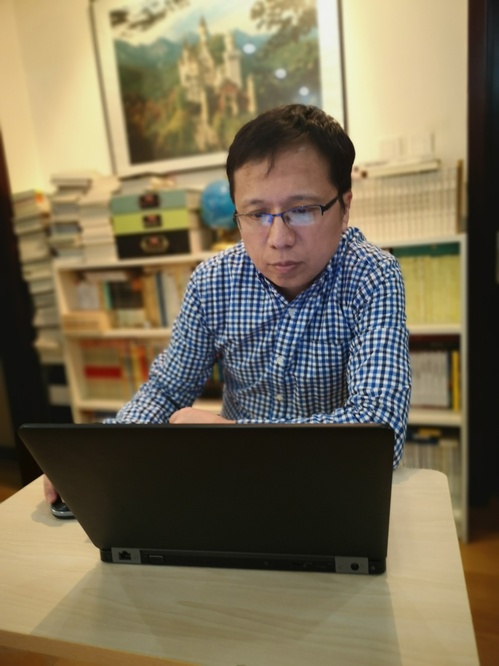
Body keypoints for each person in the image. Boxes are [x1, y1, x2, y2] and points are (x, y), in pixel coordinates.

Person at [44, 103, 411, 504]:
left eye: (303, 210)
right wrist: (100, 455)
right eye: (256, 214)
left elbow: (380, 431)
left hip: (331, 486)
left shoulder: (372, 276)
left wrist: (235, 436)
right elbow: (167, 390)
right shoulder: (213, 280)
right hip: (236, 487)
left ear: (344, 207)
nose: (278, 240)